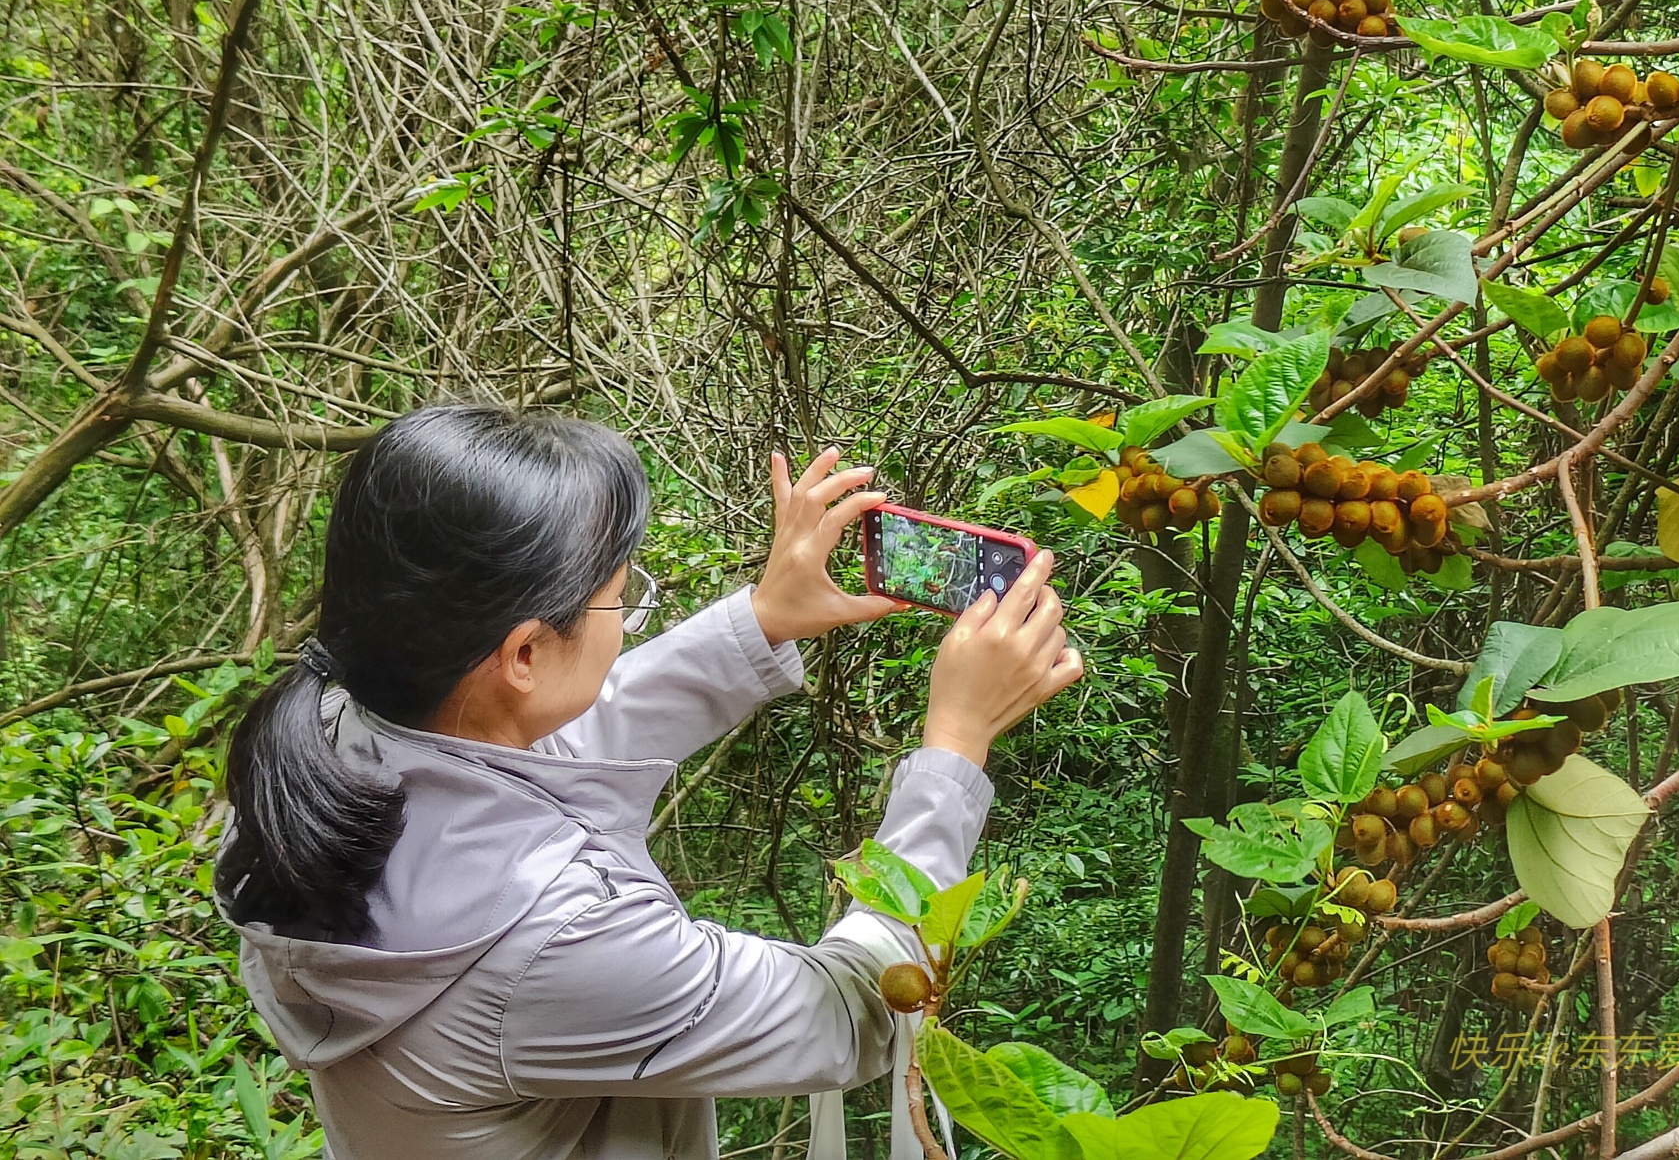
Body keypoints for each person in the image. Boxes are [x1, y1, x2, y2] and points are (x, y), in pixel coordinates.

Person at [213, 403, 1081, 1160]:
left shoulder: (319, 751)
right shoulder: (561, 941)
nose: (628, 622)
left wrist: (762, 618)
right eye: (622, 600)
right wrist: (955, 744)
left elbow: (540, 740)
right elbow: (846, 1012)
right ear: (522, 651)